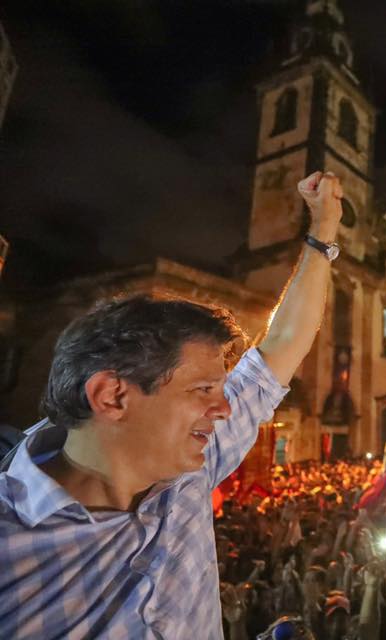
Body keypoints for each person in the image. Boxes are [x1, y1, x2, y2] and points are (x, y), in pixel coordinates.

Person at [0, 171, 345, 638]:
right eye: (203, 390)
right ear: (113, 396)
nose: (224, 410)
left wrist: (324, 229)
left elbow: (283, 344)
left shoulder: (189, 468)